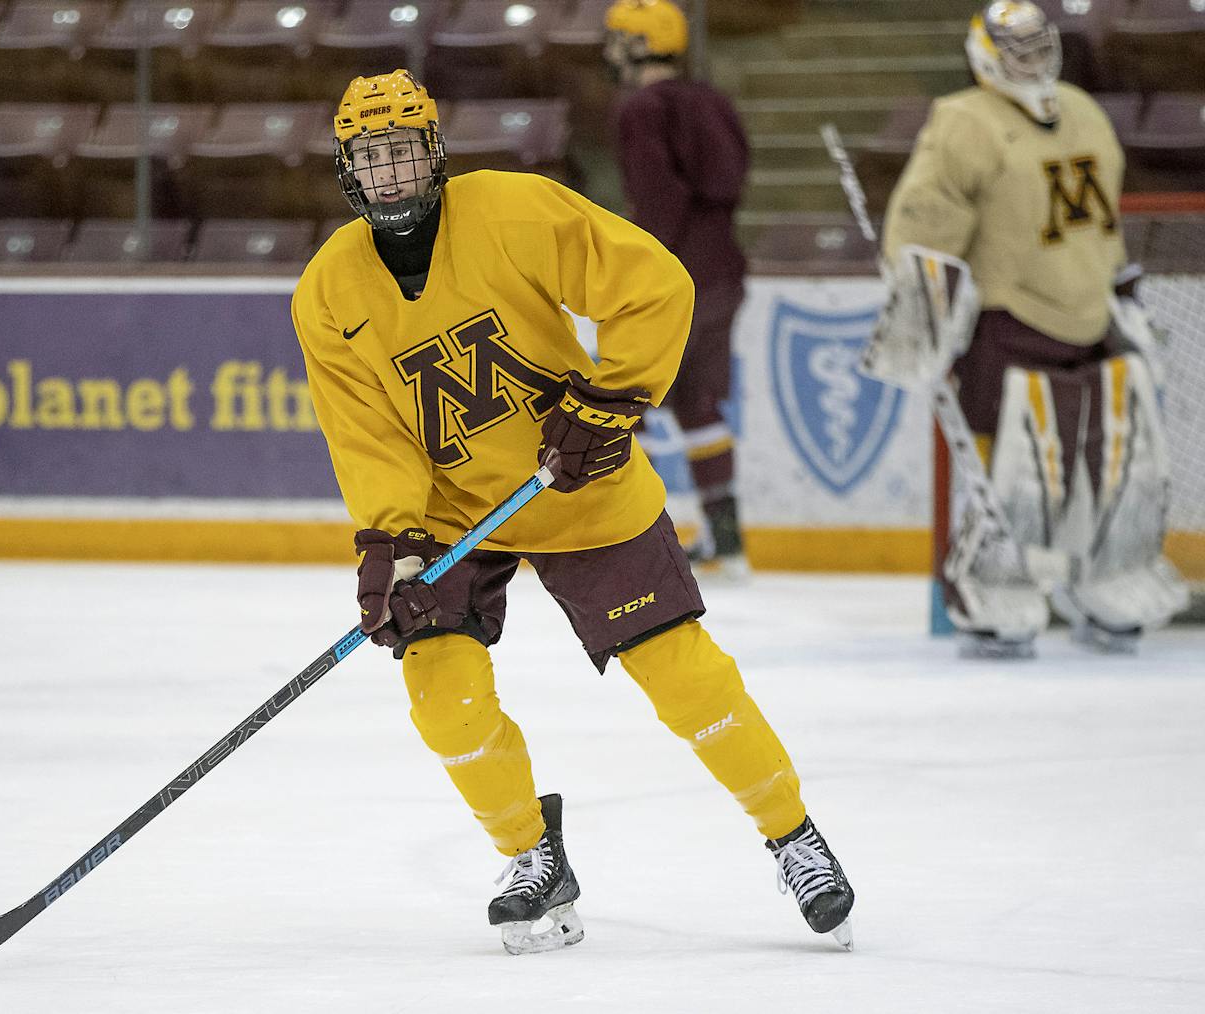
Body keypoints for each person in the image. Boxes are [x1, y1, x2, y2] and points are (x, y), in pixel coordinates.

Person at [291, 68, 854, 955]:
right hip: (451, 510)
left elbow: (656, 286)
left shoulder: (515, 211)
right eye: (371, 159)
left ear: (433, 154)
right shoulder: (326, 291)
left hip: (576, 483)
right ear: (346, 171)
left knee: (684, 677)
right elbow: (367, 434)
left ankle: (794, 836)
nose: (389, 175)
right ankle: (531, 856)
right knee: (442, 696)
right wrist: (392, 543)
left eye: (403, 154)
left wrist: (612, 399)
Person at [868, 1, 1186, 657]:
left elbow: (1104, 223)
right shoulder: (964, 122)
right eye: (1019, 52)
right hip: (1008, 324)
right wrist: (919, 305)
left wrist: (1122, 288)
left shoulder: (1085, 111)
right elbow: (924, 222)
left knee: (1113, 462)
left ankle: (1111, 575)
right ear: (986, 54)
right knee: (1016, 469)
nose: (1034, 64)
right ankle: (997, 585)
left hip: (1093, 318)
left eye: (1041, 48)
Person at [603, 0, 751, 574]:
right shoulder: (712, 99)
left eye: (620, 40)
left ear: (639, 45)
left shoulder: (644, 107)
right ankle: (727, 537)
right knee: (699, 404)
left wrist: (632, 275)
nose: (611, 51)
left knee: (619, 404)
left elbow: (658, 199)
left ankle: (622, 541)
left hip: (673, 282)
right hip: (723, 273)